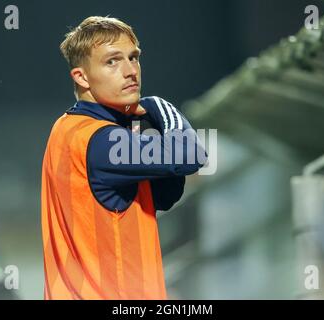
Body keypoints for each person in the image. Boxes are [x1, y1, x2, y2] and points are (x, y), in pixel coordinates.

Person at [41, 16, 207, 300]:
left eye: (134, 58)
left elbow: (163, 197)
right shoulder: (101, 140)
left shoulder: (66, 128)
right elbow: (192, 154)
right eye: (112, 61)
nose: (130, 71)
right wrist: (161, 108)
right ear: (81, 76)